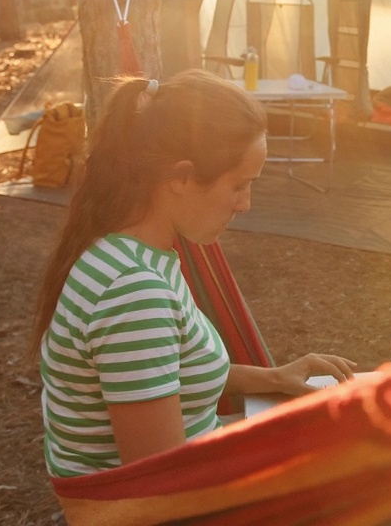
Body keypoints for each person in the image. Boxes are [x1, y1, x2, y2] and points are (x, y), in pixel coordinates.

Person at [31, 70, 356, 478]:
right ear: (181, 178)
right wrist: (292, 456)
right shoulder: (134, 293)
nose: (246, 205)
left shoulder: (133, 252)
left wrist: (274, 377)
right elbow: (162, 482)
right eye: (239, 185)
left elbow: (171, 378)